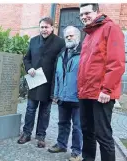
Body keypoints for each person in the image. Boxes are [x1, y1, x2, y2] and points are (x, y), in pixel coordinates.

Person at [78, 3, 125, 161]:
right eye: (81, 15)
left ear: (97, 12)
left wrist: (107, 90)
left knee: (103, 135)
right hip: (85, 92)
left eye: (87, 13)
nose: (84, 17)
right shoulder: (89, 34)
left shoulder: (111, 28)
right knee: (86, 131)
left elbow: (117, 63)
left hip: (101, 93)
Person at [18, 17, 65, 148]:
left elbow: (61, 63)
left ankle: (41, 136)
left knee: (45, 111)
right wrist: (29, 68)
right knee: (30, 109)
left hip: (49, 82)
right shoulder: (33, 41)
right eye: (42, 27)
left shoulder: (60, 42)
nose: (44, 30)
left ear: (52, 28)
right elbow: (27, 59)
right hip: (35, 80)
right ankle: (26, 133)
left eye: (46, 27)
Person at [47, 26, 82, 161]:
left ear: (78, 37)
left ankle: (76, 151)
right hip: (62, 96)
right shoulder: (61, 54)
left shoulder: (84, 53)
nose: (68, 38)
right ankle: (61, 144)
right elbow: (57, 75)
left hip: (77, 97)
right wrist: (55, 94)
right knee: (63, 123)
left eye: (71, 36)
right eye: (66, 36)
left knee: (78, 126)